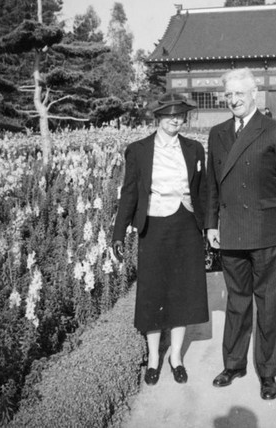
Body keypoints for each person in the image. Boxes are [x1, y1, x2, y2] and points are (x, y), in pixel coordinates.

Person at [206, 68, 276, 400]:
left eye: (239, 94)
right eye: (229, 94)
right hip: (231, 231)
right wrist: (211, 224)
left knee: (270, 304)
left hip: (267, 231)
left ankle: (267, 372)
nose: (233, 99)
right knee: (237, 302)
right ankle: (234, 364)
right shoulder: (217, 133)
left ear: (254, 96)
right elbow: (211, 186)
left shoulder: (275, 131)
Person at [112, 93, 209, 386]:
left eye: (180, 116)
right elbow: (129, 193)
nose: (176, 121)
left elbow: (202, 192)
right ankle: (154, 356)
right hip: (153, 225)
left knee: (183, 291)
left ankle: (176, 356)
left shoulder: (194, 149)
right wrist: (118, 232)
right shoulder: (139, 150)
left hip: (186, 224)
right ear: (158, 118)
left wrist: (209, 227)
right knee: (153, 291)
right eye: (170, 116)